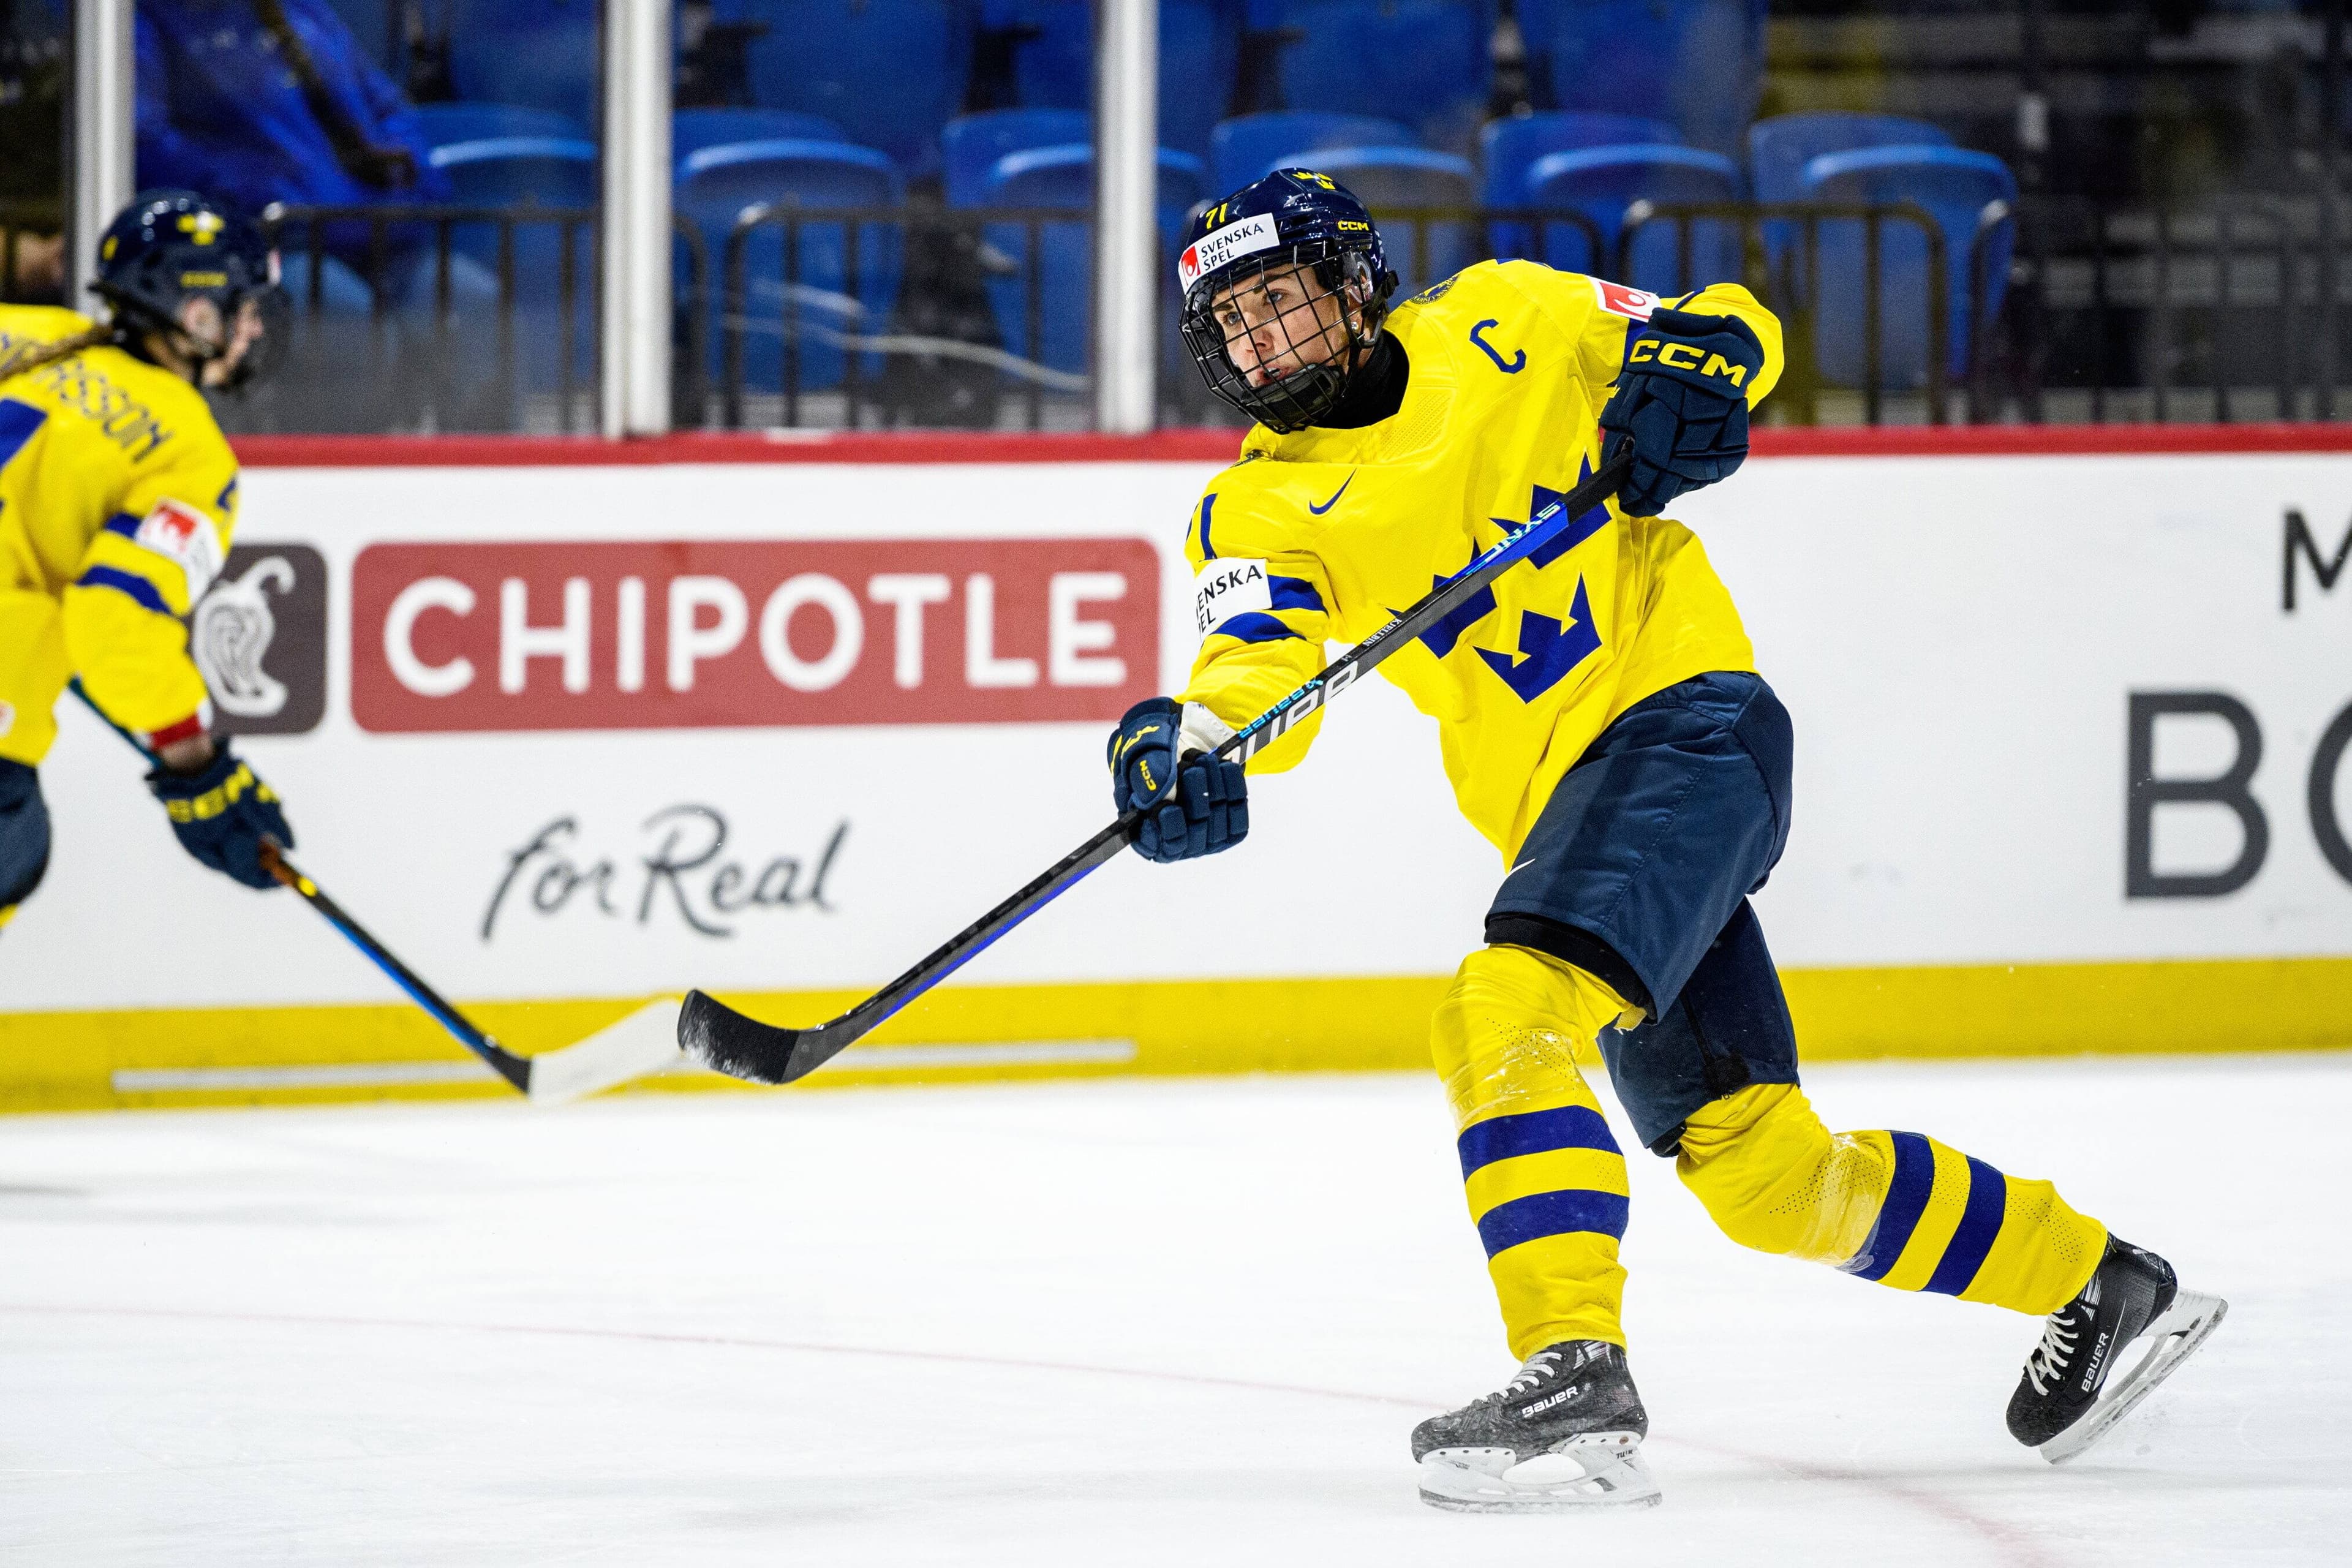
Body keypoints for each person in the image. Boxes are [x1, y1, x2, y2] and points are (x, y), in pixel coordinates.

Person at [1106, 169, 2225, 1510]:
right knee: (1766, 1174)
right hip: (1576, 815)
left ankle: (1572, 1358)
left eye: (1279, 301)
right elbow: (1252, 665)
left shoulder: (1509, 315)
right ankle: (2100, 1279)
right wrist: (1186, 745)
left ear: (1354, 282)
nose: (1260, 342)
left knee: (1502, 1005)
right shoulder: (1257, 508)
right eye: (1232, 325)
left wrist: (1699, 372)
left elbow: (1723, 322)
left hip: (1689, 725)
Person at [0, 190, 296, 929]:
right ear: (197, 314)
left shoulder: (19, 329)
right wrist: (197, 768)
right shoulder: (190, 455)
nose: (254, 326)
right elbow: (115, 622)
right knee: (17, 846)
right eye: (243, 308)